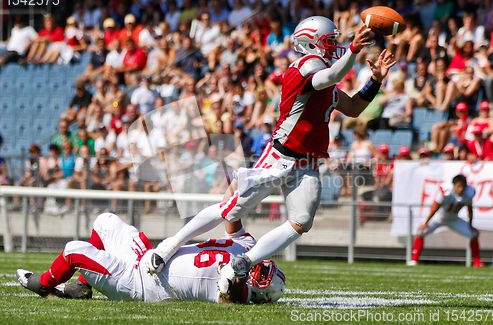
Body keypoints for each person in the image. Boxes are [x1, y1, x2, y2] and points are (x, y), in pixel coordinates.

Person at [146, 16, 396, 294]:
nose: (333, 47)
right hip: (280, 157)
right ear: (310, 43)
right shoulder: (302, 69)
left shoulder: (324, 82)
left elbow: (353, 107)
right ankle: (170, 245)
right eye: (328, 42)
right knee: (230, 208)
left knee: (301, 222)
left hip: (307, 163)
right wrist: (352, 51)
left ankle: (243, 263)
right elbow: (332, 75)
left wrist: (374, 80)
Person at [16, 213, 285, 304]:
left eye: (260, 278)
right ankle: (84, 285)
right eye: (262, 267)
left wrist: (235, 281)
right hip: (149, 258)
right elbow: (233, 219)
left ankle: (44, 283)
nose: (255, 269)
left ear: (258, 294)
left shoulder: (238, 293)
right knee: (104, 221)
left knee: (74, 250)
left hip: (142, 285)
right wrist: (237, 191)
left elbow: (231, 298)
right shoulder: (248, 246)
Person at [409, 174, 483, 267]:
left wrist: (470, 225)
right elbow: (435, 207)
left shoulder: (469, 192)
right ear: (454, 185)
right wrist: (426, 222)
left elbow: (469, 209)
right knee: (420, 231)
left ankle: (477, 262)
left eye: (463, 186)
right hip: (439, 217)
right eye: (459, 186)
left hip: (454, 219)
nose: (461, 189)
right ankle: (414, 260)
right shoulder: (446, 191)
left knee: (474, 234)